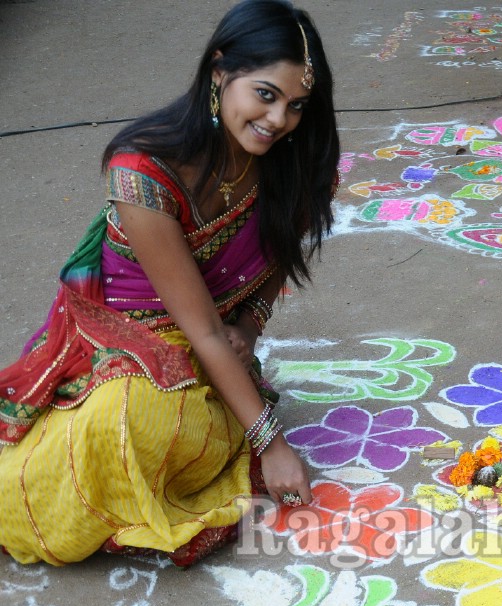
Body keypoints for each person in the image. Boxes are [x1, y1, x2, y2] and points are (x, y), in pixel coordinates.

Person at [0, 0, 340, 567]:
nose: (278, 119)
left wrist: (250, 325)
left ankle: (218, 417)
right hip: (125, 339)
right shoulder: (144, 170)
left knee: (174, 418)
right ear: (219, 70)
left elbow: (276, 252)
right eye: (265, 94)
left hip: (208, 343)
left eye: (296, 105)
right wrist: (273, 444)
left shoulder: (294, 158)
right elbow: (201, 329)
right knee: (130, 419)